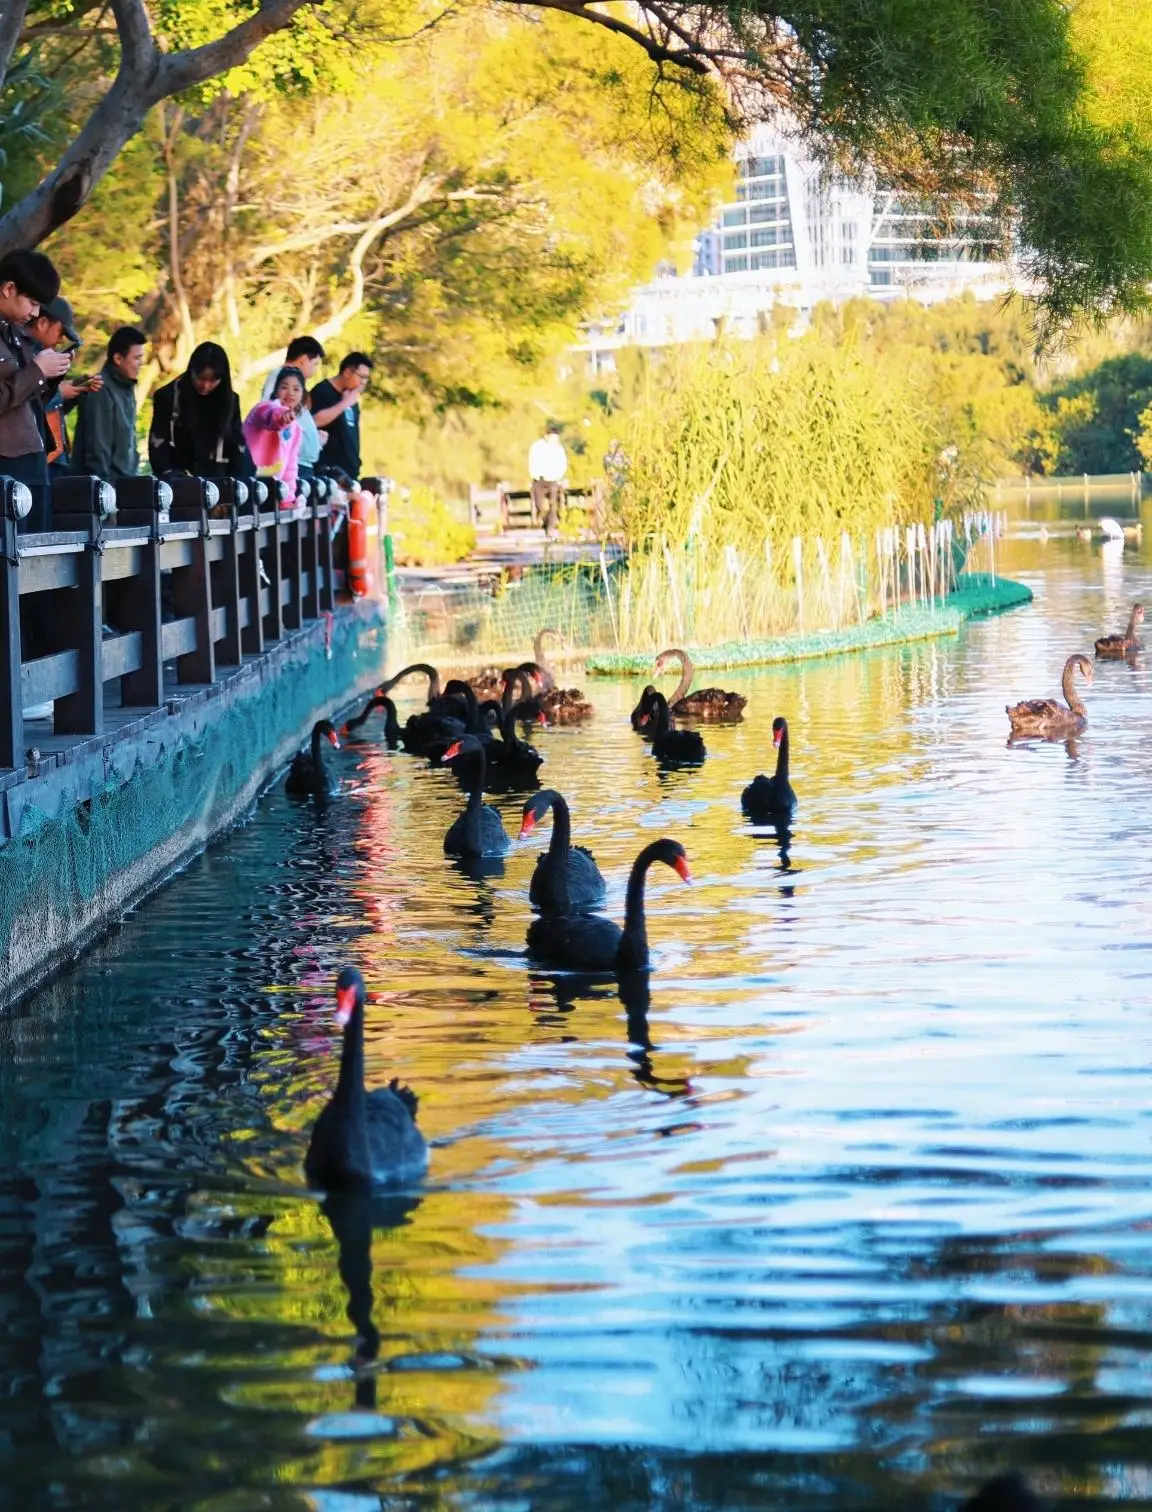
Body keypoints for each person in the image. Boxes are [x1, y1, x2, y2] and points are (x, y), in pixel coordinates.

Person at [0, 249, 72, 531]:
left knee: (39, 549)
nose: (35, 313)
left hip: (34, 460)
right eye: (32, 302)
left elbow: (28, 401)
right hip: (7, 467)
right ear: (8, 289)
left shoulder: (16, 335)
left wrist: (51, 374)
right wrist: (37, 371)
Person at [148, 341, 252, 480]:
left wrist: (234, 480)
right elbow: (158, 444)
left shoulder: (231, 401)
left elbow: (237, 445)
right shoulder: (168, 397)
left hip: (218, 479)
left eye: (213, 380)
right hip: (178, 480)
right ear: (191, 371)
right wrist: (169, 476)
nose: (205, 385)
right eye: (200, 378)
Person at [24, 294, 101, 479]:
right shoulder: (23, 358)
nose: (61, 340)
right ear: (42, 323)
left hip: (54, 457)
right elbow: (25, 405)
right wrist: (59, 392)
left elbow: (52, 408)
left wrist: (73, 388)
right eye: (61, 332)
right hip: (33, 457)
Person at [72, 325, 146, 479]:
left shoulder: (127, 387)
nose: (141, 363)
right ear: (118, 358)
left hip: (125, 482)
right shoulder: (100, 387)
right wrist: (104, 488)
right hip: (105, 486)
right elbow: (97, 447)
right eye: (136, 358)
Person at [243, 365, 306, 505]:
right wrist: (281, 417)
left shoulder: (296, 428)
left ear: (303, 394)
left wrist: (288, 499)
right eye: (284, 387)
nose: (290, 393)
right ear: (276, 390)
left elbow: (290, 467)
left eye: (296, 389)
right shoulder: (262, 408)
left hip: (272, 492)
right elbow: (272, 415)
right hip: (248, 485)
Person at [311, 352, 372, 483]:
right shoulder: (323, 391)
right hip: (329, 474)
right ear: (347, 372)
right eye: (361, 377)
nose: (363, 383)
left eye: (366, 379)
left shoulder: (351, 396)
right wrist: (344, 404)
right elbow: (314, 421)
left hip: (350, 474)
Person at [528, 421, 567, 536]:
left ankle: (550, 528)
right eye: (553, 438)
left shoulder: (559, 449)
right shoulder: (537, 447)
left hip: (553, 479)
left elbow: (563, 463)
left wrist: (560, 477)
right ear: (547, 436)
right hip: (539, 479)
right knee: (540, 505)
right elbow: (532, 460)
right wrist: (533, 474)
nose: (555, 440)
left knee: (553, 504)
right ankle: (545, 521)